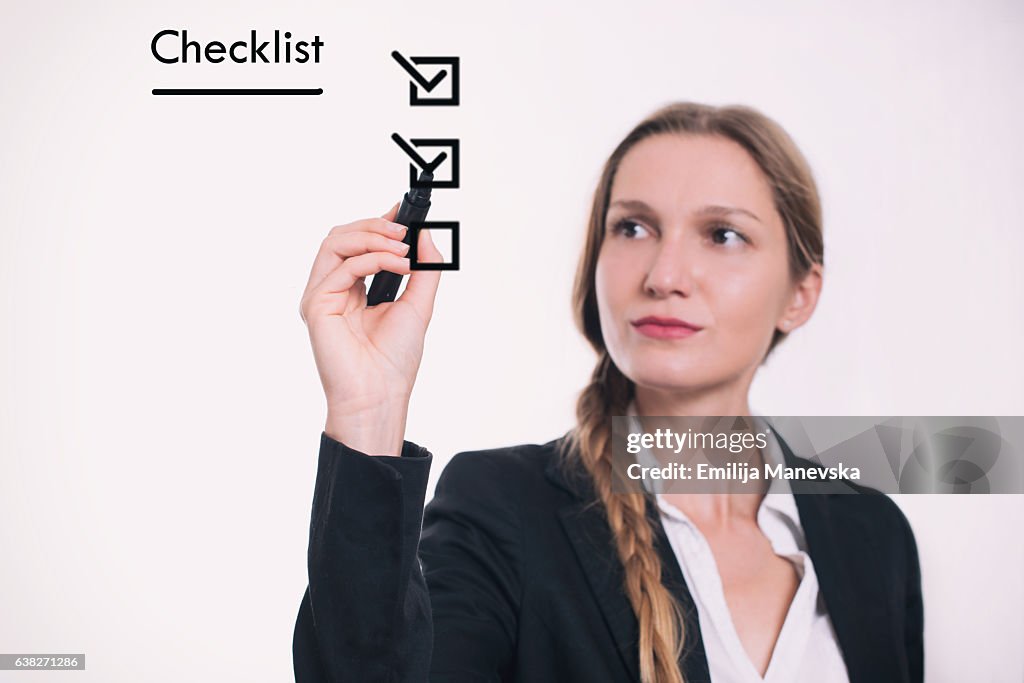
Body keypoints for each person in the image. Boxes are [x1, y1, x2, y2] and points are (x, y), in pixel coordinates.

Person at [292, 103, 924, 683]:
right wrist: (368, 410)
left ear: (800, 293)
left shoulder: (873, 532)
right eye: (633, 228)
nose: (664, 275)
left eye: (723, 234)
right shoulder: (501, 508)